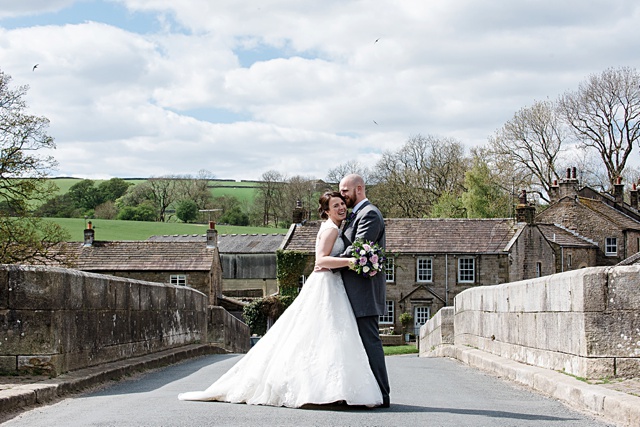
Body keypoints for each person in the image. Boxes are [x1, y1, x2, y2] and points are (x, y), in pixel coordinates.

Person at [178, 191, 383, 408]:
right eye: (336, 205)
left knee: (325, 337)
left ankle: (330, 390)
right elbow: (321, 259)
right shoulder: (331, 229)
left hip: (332, 284)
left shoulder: (335, 227)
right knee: (323, 335)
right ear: (326, 211)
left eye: (342, 203)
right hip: (326, 285)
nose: (342, 208)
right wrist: (351, 261)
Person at [338, 174, 391, 408]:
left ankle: (382, 394)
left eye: (345, 190)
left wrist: (328, 262)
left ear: (359, 188)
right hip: (352, 292)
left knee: (370, 342)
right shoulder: (354, 215)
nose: (342, 195)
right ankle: (362, 393)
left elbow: (356, 252)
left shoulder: (369, 214)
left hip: (364, 292)